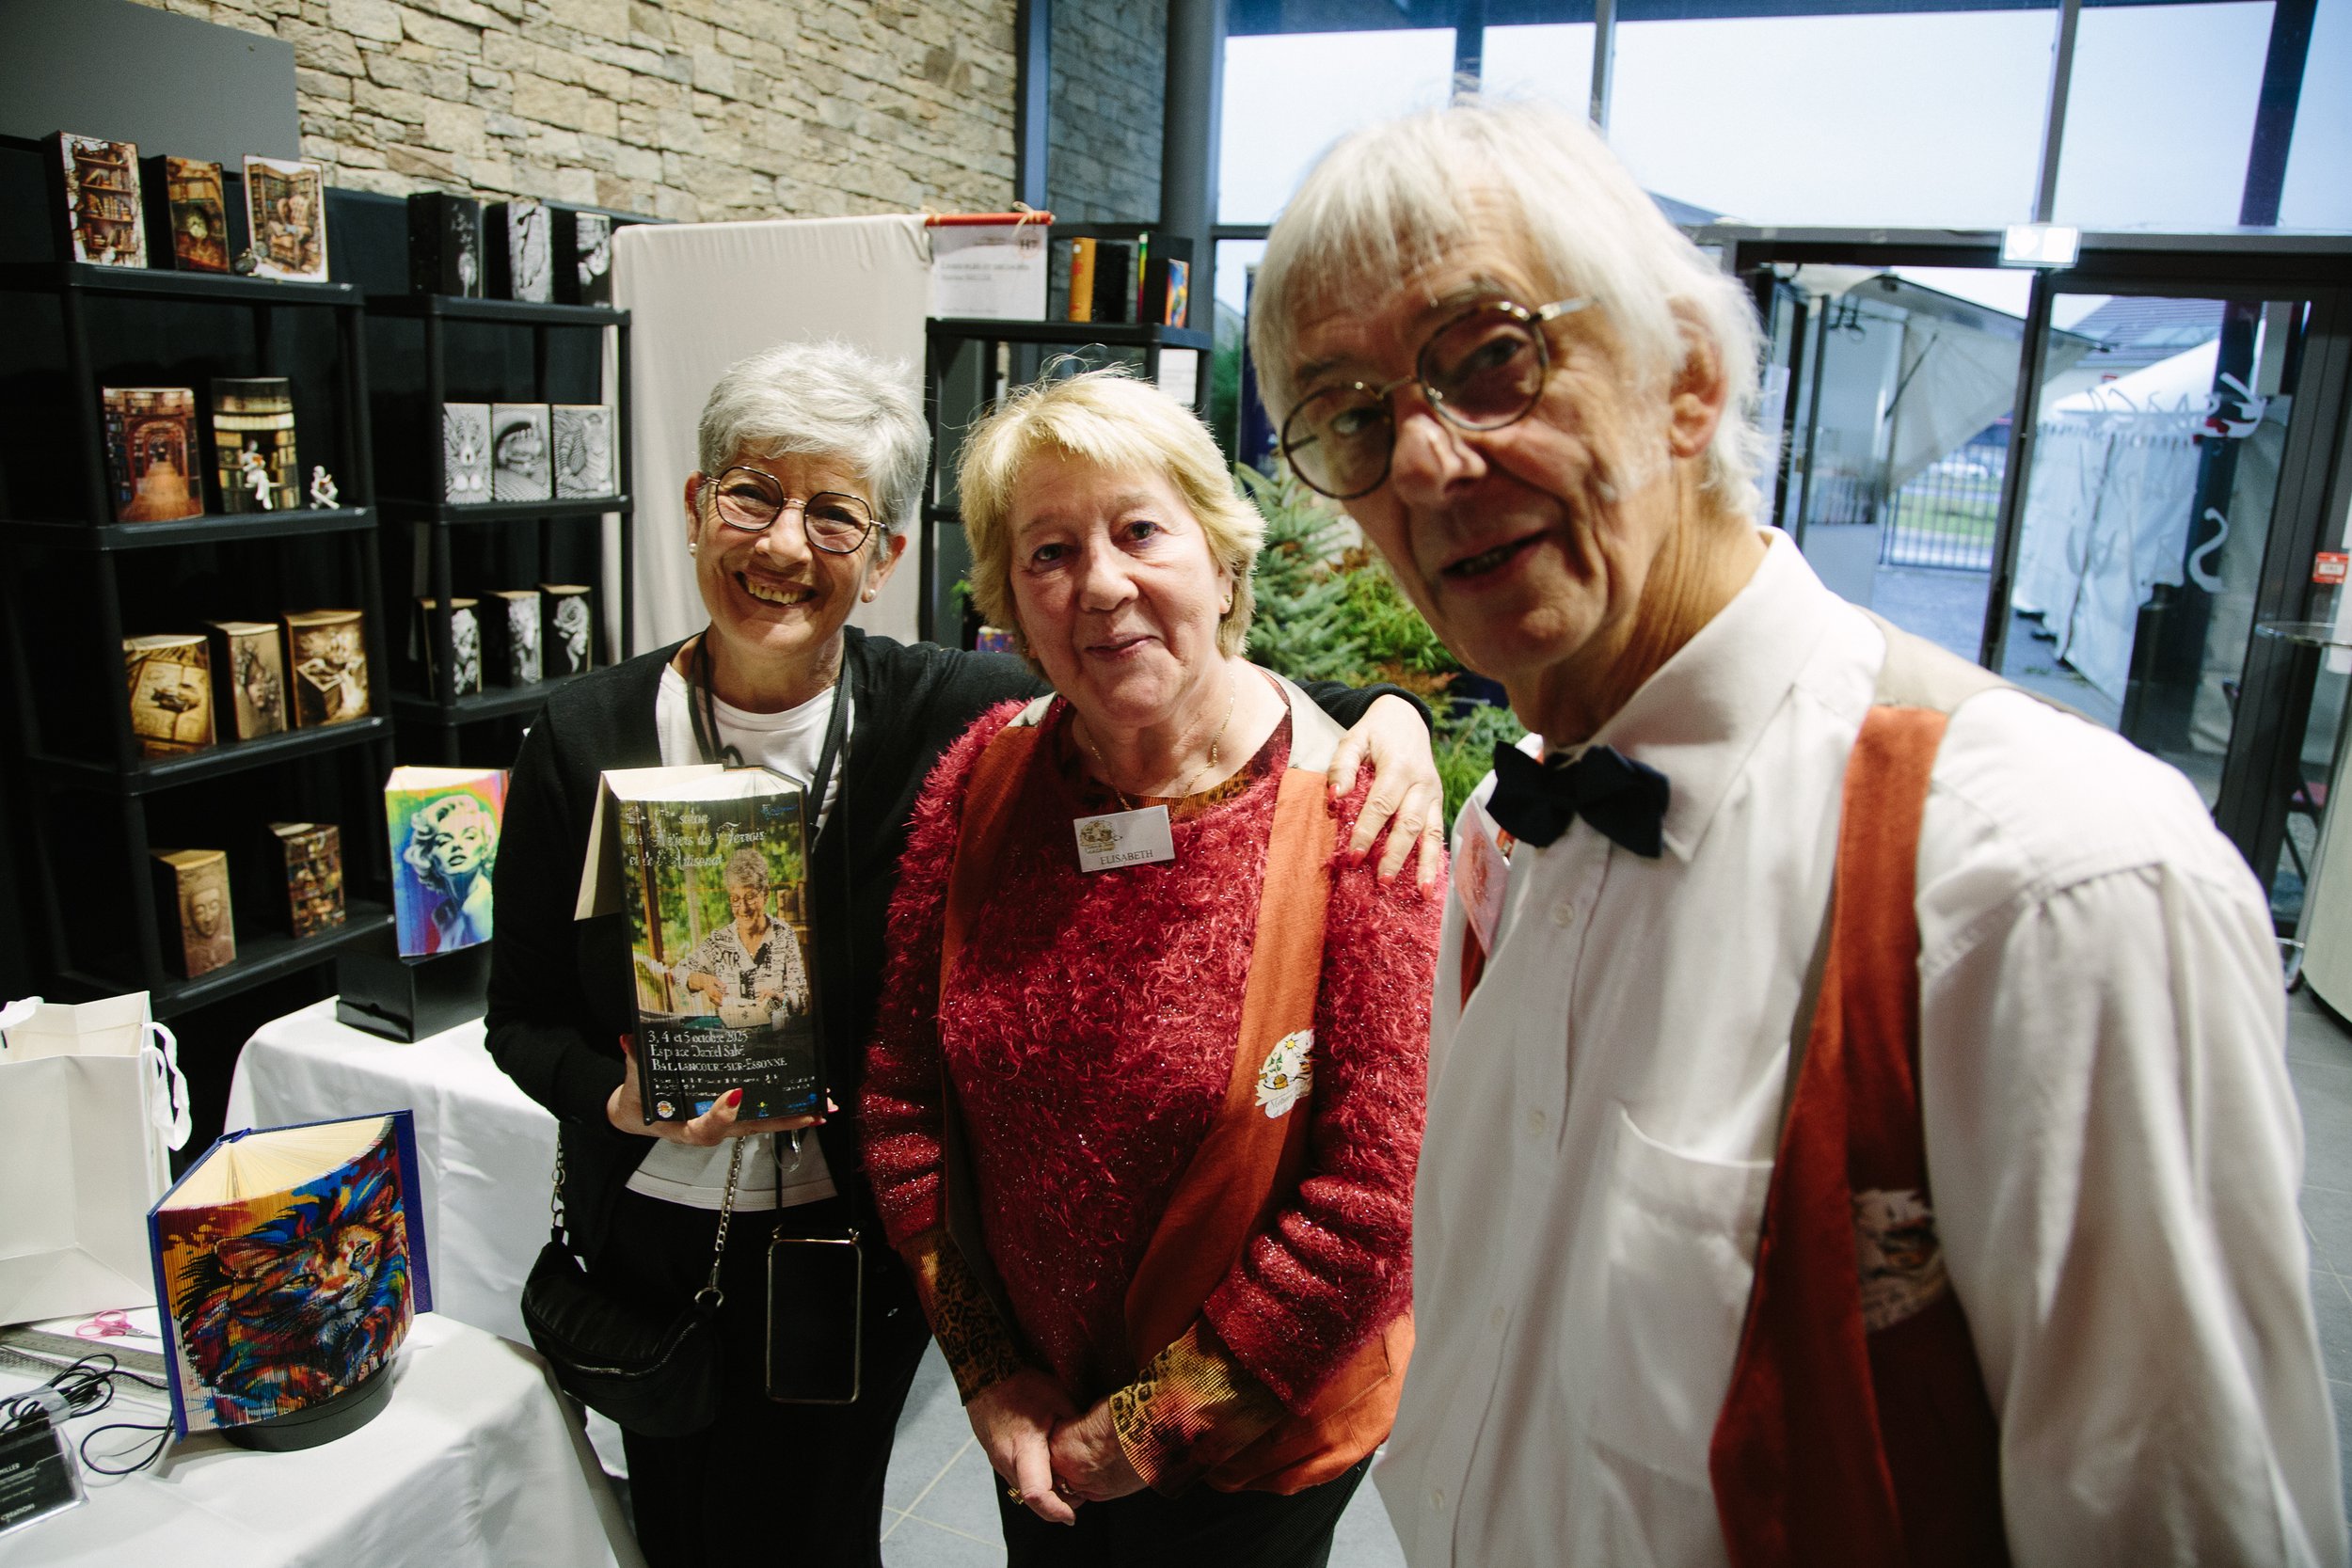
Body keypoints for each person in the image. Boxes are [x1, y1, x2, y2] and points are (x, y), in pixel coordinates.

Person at [1248, 100, 2346, 1567]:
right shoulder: (1504, 833)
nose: (1425, 466)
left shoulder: (2048, 877)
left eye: (1492, 355)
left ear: (1688, 381)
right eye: (1352, 415)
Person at [485, 339, 1447, 1568]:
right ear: (694, 503)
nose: (783, 545)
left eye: (834, 515)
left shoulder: (930, 714)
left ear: (885, 557)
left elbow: (1176, 671)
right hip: (660, 1243)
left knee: (828, 1529)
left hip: (851, 1256)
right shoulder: (589, 735)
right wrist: (615, 1097)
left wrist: (1394, 716)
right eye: (750, 494)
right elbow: (519, 1016)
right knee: (679, 1523)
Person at [859, 369, 1440, 1568]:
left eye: (1138, 530)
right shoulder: (982, 782)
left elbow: (1378, 1198)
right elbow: (903, 1100)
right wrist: (986, 1372)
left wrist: (1150, 1427)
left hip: (1257, 1453)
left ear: (1222, 563)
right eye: (1050, 552)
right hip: (1036, 1426)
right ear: (1014, 609)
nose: (1100, 584)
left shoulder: (1356, 809)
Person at [674, 846, 810, 1024]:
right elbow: (679, 973)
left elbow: (801, 996)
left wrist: (780, 999)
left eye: (750, 897)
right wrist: (702, 981)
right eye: (735, 899)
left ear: (765, 894)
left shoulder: (783, 935)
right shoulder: (719, 941)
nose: (743, 908)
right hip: (732, 1036)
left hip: (777, 1035)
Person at [403, 790, 494, 952]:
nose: (457, 845)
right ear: (428, 857)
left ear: (485, 847)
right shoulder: (442, 914)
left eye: (469, 836)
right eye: (444, 841)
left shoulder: (482, 907)